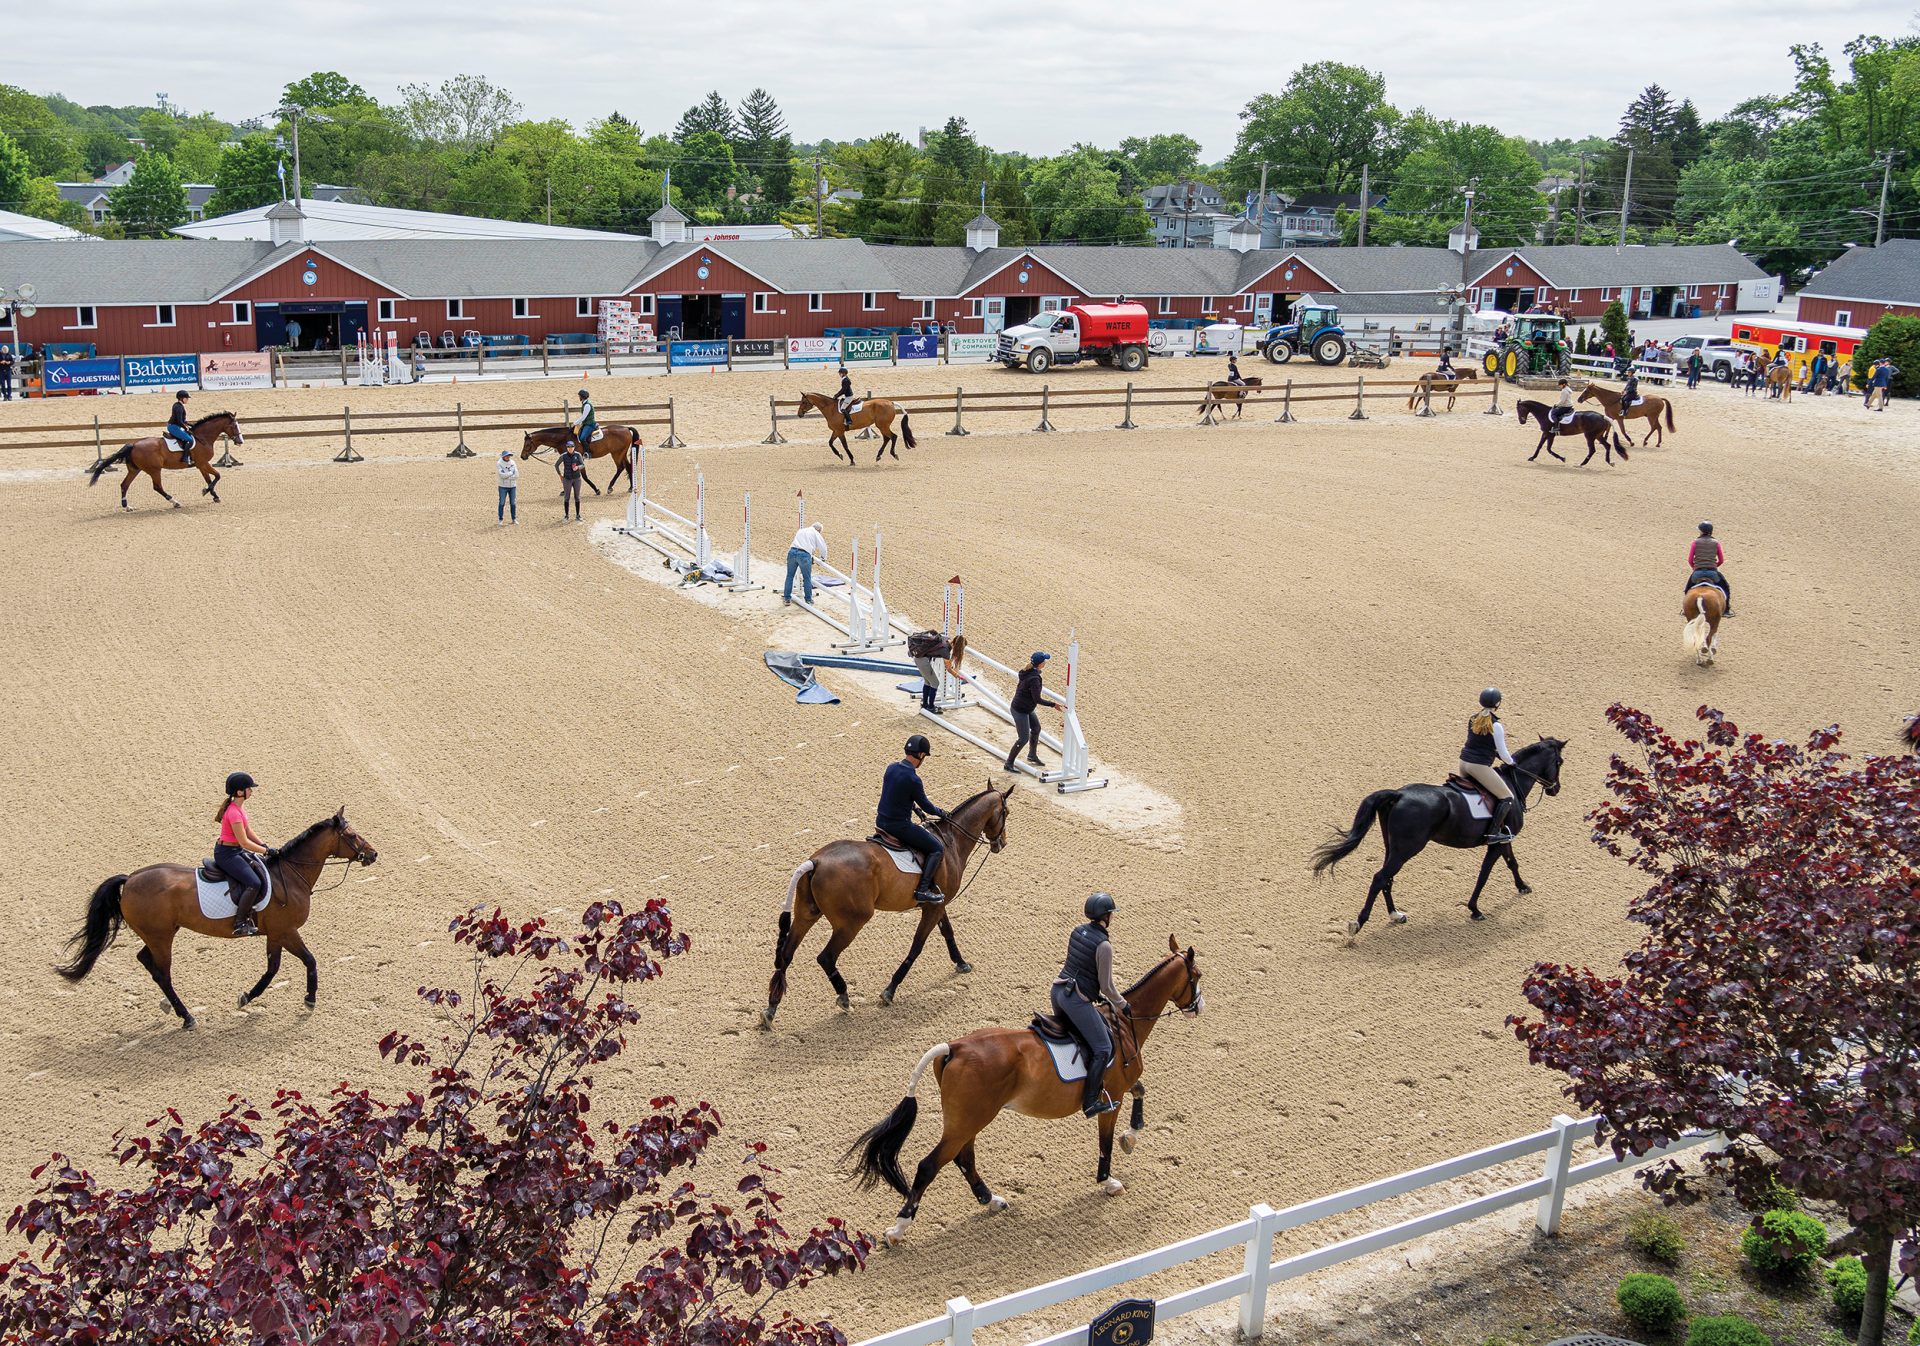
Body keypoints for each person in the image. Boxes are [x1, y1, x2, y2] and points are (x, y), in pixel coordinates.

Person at [1051, 892, 1125, 1118]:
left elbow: (1080, 967)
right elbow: (1107, 987)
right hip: (1076, 1000)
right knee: (1103, 1047)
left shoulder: (1077, 931)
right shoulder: (1104, 946)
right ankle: (1091, 1101)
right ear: (1106, 917)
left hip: (1057, 993)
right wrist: (1123, 1005)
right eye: (1111, 914)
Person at [877, 735, 950, 904]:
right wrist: (942, 813)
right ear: (922, 755)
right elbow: (927, 806)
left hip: (881, 822)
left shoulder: (891, 768)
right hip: (899, 827)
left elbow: (897, 795)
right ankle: (923, 889)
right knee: (937, 848)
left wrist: (915, 809)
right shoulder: (913, 778)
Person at [1459, 688, 1519, 846]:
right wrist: (1512, 763)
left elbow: (1478, 743)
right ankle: (1493, 833)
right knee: (1507, 797)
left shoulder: (1473, 718)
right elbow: (1504, 753)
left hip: (1463, 763)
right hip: (1478, 766)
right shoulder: (1496, 725)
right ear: (1497, 704)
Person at [214, 771, 271, 937]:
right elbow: (244, 842)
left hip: (235, 850)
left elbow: (247, 830)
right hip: (227, 854)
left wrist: (263, 844)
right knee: (254, 882)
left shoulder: (239, 809)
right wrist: (266, 851)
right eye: (249, 789)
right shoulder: (233, 813)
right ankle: (240, 923)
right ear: (240, 792)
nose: (251, 791)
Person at [1006, 652, 1061, 772]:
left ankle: (1032, 755)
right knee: (1023, 738)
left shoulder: (1028, 672)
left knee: (1036, 729)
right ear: (1041, 664)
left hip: (1026, 708)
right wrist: (1053, 704)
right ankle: (1009, 763)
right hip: (1020, 710)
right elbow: (1037, 699)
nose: (1045, 663)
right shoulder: (1034, 678)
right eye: (1044, 661)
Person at [1685, 520, 1733, 617]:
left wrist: (1695, 568)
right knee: (1726, 587)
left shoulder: (1695, 542)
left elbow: (1690, 560)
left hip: (1697, 573)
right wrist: (1714, 566)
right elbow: (1721, 560)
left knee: (1687, 589)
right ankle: (1726, 609)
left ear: (1702, 531)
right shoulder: (1716, 543)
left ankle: (1685, 609)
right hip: (1712, 573)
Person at [783, 519, 827, 606]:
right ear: (818, 530)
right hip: (804, 554)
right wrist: (823, 558)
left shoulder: (801, 530)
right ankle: (808, 599)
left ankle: (787, 598)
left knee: (790, 576)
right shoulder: (815, 533)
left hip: (792, 551)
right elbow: (823, 547)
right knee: (807, 578)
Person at [557, 442, 585, 521]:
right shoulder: (563, 456)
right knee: (567, 497)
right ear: (566, 448)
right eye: (569, 447)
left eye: (572, 447)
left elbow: (582, 464)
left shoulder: (578, 455)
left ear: (574, 447)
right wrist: (560, 475)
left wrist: (578, 467)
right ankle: (566, 515)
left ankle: (578, 515)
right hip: (567, 479)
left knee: (577, 497)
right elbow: (556, 465)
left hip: (577, 479)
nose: (570, 448)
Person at [163, 390, 195, 460]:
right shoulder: (179, 407)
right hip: (174, 427)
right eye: (186, 398)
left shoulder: (178, 405)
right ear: (182, 398)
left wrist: (191, 425)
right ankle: (185, 457)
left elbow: (183, 420)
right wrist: (186, 428)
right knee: (190, 440)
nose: (187, 400)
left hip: (175, 425)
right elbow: (180, 421)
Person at [496, 449, 518, 525]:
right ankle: (500, 519)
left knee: (513, 503)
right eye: (506, 456)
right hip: (503, 486)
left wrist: (509, 476)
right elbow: (502, 475)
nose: (508, 457)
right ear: (503, 456)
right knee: (502, 502)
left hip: (512, 486)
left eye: (509, 456)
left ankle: (514, 518)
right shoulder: (499, 463)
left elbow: (517, 475)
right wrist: (511, 473)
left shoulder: (513, 462)